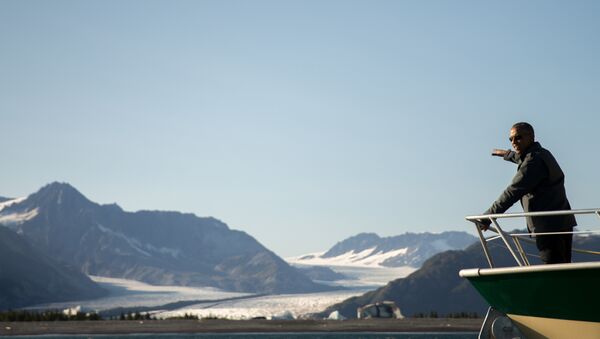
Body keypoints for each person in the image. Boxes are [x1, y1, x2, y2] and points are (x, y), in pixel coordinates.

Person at [477, 122, 576, 264]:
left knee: (554, 271)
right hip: (562, 222)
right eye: (510, 139)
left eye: (518, 138)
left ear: (531, 137)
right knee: (564, 267)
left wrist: (487, 217)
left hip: (548, 226)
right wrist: (506, 154)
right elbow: (522, 158)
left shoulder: (533, 162)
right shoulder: (542, 153)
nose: (513, 142)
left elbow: (513, 192)